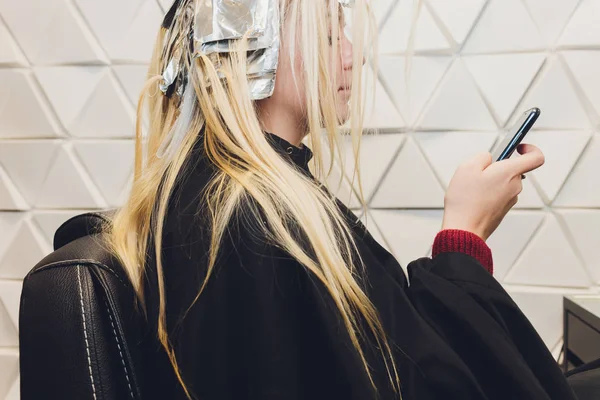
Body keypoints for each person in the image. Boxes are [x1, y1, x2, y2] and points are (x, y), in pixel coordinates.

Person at [105, 0, 587, 399]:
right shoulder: (253, 225)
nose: (351, 56)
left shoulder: (225, 198)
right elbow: (427, 385)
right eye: (332, 35)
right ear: (253, 47)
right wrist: (463, 239)